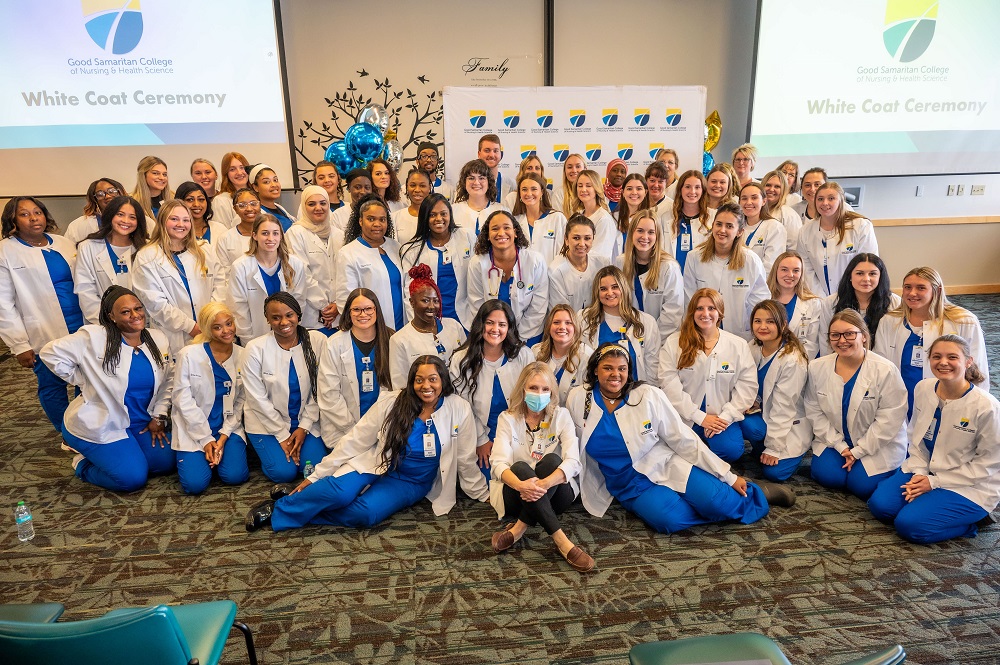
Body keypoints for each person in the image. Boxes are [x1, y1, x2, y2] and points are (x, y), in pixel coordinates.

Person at [246, 355, 488, 531]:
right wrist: (316, 476)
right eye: (419, 380)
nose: (426, 386)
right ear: (411, 382)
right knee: (339, 493)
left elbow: (465, 457)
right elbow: (355, 439)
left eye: (433, 379)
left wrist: (481, 492)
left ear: (443, 381)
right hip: (377, 462)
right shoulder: (393, 402)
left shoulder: (459, 408)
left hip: (412, 481)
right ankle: (281, 507)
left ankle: (294, 506)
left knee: (365, 513)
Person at [567, 343, 786, 535]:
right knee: (670, 521)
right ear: (595, 369)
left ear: (629, 371)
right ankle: (712, 499)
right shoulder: (578, 398)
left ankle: (756, 493)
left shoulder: (647, 395)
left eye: (622, 368)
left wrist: (728, 476)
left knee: (715, 502)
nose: (616, 374)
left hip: (664, 463)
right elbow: (571, 441)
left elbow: (683, 439)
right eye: (608, 368)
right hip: (627, 483)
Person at [867, 335, 1000, 544]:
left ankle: (972, 522)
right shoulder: (924, 388)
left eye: (952, 357)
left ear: (968, 361)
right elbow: (916, 437)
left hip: (970, 484)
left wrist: (934, 482)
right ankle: (929, 504)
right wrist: (920, 474)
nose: (943, 362)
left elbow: (988, 464)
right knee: (881, 506)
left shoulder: (986, 407)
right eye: (936, 356)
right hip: (927, 469)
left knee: (910, 527)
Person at [40, 286, 173, 491]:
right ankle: (83, 463)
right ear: (111, 316)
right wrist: (83, 380)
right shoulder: (94, 337)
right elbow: (49, 353)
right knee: (132, 479)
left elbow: (167, 382)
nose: (135, 315)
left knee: (167, 462)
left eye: (138, 308)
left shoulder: (157, 338)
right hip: (103, 424)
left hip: (141, 420)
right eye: (125, 312)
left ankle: (123, 454)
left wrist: (160, 416)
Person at [489, 362, 593, 572]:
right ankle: (562, 541)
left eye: (545, 389)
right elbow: (498, 464)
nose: (539, 393)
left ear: (552, 392)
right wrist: (521, 486)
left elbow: (573, 462)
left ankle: (518, 529)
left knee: (552, 462)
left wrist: (542, 485)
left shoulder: (561, 416)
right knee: (519, 467)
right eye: (533, 388)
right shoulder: (507, 419)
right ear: (523, 390)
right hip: (516, 495)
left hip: (556, 495)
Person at [0, 196, 86, 430]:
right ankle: (66, 432)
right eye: (24, 214)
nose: (33, 218)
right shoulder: (5, 251)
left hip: (79, 322)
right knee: (52, 383)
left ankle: (86, 428)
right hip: (42, 328)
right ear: (13, 220)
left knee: (87, 379)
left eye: (37, 212)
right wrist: (19, 344)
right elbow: (3, 304)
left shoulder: (62, 242)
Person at [805, 309, 908, 500]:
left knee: (861, 486)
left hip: (877, 442)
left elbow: (889, 420)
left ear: (864, 336)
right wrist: (840, 446)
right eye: (835, 335)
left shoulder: (885, 370)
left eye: (850, 334)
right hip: (836, 440)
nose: (842, 340)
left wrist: (858, 451)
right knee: (829, 476)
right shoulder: (817, 367)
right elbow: (813, 410)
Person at [875, 266, 989, 418]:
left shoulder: (964, 321)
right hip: (903, 400)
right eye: (907, 287)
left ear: (938, 290)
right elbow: (880, 366)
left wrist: (976, 410)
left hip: (950, 400)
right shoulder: (890, 321)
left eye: (921, 288)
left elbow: (978, 370)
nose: (912, 293)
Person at [658, 289, 756, 463]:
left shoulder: (738, 345)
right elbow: (669, 386)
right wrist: (700, 417)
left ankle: (700, 458)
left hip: (720, 416)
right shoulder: (674, 343)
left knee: (731, 451)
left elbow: (747, 387)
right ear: (692, 312)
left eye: (711, 308)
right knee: (672, 451)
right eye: (699, 308)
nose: (705, 314)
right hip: (684, 415)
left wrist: (725, 418)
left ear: (720, 313)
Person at [242, 292, 329, 483]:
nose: (283, 322)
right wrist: (282, 436)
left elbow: (321, 390)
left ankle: (293, 450)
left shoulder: (317, 341)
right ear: (267, 319)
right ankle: (271, 454)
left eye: (289, 315)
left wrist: (304, 427)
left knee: (314, 470)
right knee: (284, 473)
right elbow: (257, 400)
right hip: (266, 424)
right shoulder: (255, 348)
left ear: (298, 315)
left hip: (306, 420)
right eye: (276, 317)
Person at [450, 300, 536, 479]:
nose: (495, 329)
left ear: (509, 328)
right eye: (489, 322)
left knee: (525, 477)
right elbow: (464, 409)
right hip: (482, 434)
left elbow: (533, 398)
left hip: (520, 430)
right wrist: (481, 440)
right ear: (480, 324)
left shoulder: (524, 355)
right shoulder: (461, 361)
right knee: (494, 481)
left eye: (502, 324)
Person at [170, 302, 249, 495]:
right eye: (217, 327)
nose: (226, 331)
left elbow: (241, 401)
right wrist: (206, 440)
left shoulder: (243, 355)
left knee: (235, 476)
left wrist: (222, 437)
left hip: (227, 427)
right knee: (195, 485)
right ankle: (206, 458)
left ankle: (217, 456)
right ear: (207, 329)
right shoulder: (189, 355)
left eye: (229, 324)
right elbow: (182, 399)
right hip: (193, 428)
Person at [132, 199, 224, 355]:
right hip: (171, 337)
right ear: (162, 221)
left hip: (211, 330)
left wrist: (211, 319)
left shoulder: (205, 250)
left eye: (186, 220)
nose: (181, 224)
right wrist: (191, 327)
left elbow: (221, 284)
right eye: (174, 219)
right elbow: (155, 304)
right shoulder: (147, 257)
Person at [741, 300, 812, 481]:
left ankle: (772, 448)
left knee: (774, 473)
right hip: (762, 413)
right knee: (749, 426)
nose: (763, 326)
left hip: (788, 422)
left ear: (783, 324)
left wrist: (774, 448)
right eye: (758, 321)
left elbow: (784, 407)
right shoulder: (753, 347)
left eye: (770, 321)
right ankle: (761, 448)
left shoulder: (792, 360)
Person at [318, 288, 393, 450]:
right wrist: (354, 431)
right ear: (348, 313)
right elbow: (328, 395)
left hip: (384, 425)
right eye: (356, 309)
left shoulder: (391, 340)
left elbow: (399, 389)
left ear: (376, 310)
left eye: (368, 309)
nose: (362, 314)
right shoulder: (334, 344)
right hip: (343, 428)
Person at [228, 215, 324, 340]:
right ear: (254, 235)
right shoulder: (241, 267)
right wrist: (248, 340)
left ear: (281, 236)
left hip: (289, 333)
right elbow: (239, 309)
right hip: (255, 336)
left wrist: (290, 329)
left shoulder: (294, 264)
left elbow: (298, 302)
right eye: (265, 233)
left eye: (275, 233)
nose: (270, 238)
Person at [683, 202, 770, 341]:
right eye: (719, 224)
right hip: (702, 333)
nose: (722, 230)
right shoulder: (694, 257)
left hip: (741, 335)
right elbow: (689, 300)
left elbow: (760, 303)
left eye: (729, 226)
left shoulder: (751, 261)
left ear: (740, 231)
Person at [466, 210, 549, 344]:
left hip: (529, 335)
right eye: (495, 229)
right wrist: (496, 334)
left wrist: (518, 337)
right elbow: (477, 304)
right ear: (488, 235)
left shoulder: (535, 261)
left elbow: (538, 306)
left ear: (515, 232)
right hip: (492, 335)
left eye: (506, 228)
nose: (501, 233)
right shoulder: (478, 263)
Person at [399, 194, 476, 326]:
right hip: (430, 319)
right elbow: (410, 293)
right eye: (432, 215)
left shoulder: (467, 237)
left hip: (465, 317)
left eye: (443, 214)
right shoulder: (413, 250)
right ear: (425, 218)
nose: (439, 219)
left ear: (450, 215)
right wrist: (419, 325)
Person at [74, 195, 148, 324]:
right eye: (120, 214)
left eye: (132, 217)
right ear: (110, 216)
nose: (126, 221)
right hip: (103, 323)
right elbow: (85, 291)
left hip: (142, 323)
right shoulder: (88, 247)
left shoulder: (147, 249)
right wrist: (109, 322)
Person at [335, 194, 404, 331]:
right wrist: (364, 328)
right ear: (360, 221)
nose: (377, 224)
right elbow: (345, 301)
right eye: (371, 219)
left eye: (382, 219)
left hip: (402, 324)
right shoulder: (348, 253)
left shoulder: (395, 247)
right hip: (371, 329)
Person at [389, 265, 467, 387]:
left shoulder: (454, 327)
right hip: (421, 402)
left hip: (455, 399)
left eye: (435, 301)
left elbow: (466, 367)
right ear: (412, 302)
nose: (431, 306)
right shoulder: (399, 340)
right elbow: (400, 385)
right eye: (425, 300)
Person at [797, 181, 878, 297]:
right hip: (820, 299)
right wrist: (824, 299)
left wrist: (848, 296)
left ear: (841, 201)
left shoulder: (861, 226)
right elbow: (807, 271)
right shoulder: (805, 231)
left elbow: (868, 267)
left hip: (856, 296)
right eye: (820, 199)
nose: (825, 203)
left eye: (831, 198)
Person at [580, 266, 660, 384]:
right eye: (603, 289)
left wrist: (648, 393)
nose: (610, 293)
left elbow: (652, 365)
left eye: (615, 287)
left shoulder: (646, 322)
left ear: (624, 288)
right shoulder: (583, 319)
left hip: (635, 393)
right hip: (596, 394)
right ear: (597, 293)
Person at [615, 209, 684, 334]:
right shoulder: (621, 263)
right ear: (631, 233)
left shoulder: (669, 267)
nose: (645, 237)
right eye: (640, 230)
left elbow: (672, 313)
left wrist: (652, 339)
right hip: (629, 335)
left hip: (661, 337)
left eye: (651, 232)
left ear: (657, 236)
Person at [818, 253, 900, 356]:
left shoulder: (895, 303)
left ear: (880, 277)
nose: (866, 279)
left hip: (881, 364)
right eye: (860, 273)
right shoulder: (831, 303)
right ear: (850, 276)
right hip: (842, 361)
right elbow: (825, 342)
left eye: (872, 274)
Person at [287, 184, 338, 332]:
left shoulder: (339, 234)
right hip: (312, 314)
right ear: (303, 206)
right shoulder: (295, 233)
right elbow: (301, 273)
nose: (318, 208)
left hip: (339, 313)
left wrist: (338, 305)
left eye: (323, 203)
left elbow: (345, 273)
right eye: (311, 204)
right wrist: (324, 307)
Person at [532, 305, 593, 405]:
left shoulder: (586, 356)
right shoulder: (536, 351)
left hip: (572, 416)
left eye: (568, 323)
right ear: (549, 326)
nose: (562, 327)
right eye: (556, 322)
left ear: (575, 327)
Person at [767, 250, 823, 359]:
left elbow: (812, 343)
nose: (790, 275)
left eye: (796, 270)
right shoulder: (763, 299)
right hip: (766, 359)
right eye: (784, 270)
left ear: (801, 273)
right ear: (775, 271)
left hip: (798, 363)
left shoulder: (813, 303)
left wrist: (792, 363)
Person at [548, 215, 610, 312]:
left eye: (587, 238)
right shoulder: (556, 271)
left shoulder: (603, 264)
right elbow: (560, 312)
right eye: (576, 238)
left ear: (593, 239)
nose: (582, 244)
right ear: (566, 240)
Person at [660, 170, 713, 273]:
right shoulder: (666, 218)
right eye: (688, 187)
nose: (692, 192)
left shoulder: (713, 218)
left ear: (703, 190)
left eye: (697, 187)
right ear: (680, 189)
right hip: (672, 277)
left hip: (702, 278)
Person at [512, 172, 567, 266]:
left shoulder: (557, 218)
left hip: (550, 277)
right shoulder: (514, 221)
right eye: (524, 189)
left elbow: (563, 254)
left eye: (534, 189)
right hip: (523, 278)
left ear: (542, 192)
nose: (529, 193)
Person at [739, 182, 786, 274]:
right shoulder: (736, 227)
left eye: (754, 198)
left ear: (764, 201)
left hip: (762, 283)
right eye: (744, 198)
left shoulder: (774, 227)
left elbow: (770, 266)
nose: (748, 202)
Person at [214, 188, 261, 282]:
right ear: (235, 209)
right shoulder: (225, 239)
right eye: (242, 205)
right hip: (237, 289)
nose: (249, 209)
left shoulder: (270, 234)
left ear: (260, 205)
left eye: (253, 203)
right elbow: (225, 275)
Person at [64, 177, 128, 245]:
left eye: (112, 191)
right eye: (100, 194)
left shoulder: (134, 221)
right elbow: (67, 252)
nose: (108, 196)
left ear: (121, 193)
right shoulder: (78, 225)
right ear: (94, 200)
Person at [451, 159, 505, 235]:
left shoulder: (502, 210)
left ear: (488, 182)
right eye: (471, 178)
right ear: (464, 182)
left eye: (481, 178)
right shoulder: (453, 211)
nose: (476, 182)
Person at [328, 168, 374, 255]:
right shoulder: (338, 215)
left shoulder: (378, 213)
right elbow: (336, 247)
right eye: (357, 187)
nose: (363, 192)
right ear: (349, 188)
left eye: (367, 187)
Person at [573, 169, 617, 260]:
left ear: (596, 188)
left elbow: (599, 255)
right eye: (580, 186)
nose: (583, 189)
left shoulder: (603, 219)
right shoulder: (578, 216)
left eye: (588, 186)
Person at [175, 181, 226, 250]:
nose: (196, 204)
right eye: (190, 200)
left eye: (201, 199)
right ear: (179, 202)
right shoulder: (175, 232)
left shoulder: (219, 229)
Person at [612, 173, 651, 261]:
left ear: (646, 192)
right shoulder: (613, 218)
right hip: (618, 268)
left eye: (639, 189)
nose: (634, 192)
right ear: (622, 192)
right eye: (629, 189)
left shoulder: (652, 219)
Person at [761, 169, 802, 249]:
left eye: (777, 186)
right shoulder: (755, 212)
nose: (771, 189)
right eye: (768, 185)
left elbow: (794, 247)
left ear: (783, 190)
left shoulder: (789, 215)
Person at [249, 164, 295, 231]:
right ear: (255, 187)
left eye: (275, 180)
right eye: (266, 182)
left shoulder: (279, 207)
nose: (274, 185)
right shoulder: (257, 214)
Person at [392, 168, 431, 243]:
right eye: (413, 185)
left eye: (422, 186)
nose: (417, 190)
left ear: (429, 188)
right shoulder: (395, 217)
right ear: (407, 187)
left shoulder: (435, 217)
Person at [213, 151, 251, 229]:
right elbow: (223, 234)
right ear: (226, 174)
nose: (239, 172)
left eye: (242, 167)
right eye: (232, 169)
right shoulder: (221, 201)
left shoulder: (258, 195)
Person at [478, 134, 511, 203]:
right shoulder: (469, 183)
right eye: (487, 150)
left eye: (496, 151)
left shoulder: (511, 184)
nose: (492, 155)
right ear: (479, 154)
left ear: (501, 154)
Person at [551, 154, 586, 218]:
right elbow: (558, 223)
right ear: (565, 171)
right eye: (569, 167)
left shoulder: (594, 192)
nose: (574, 170)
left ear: (585, 169)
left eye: (578, 166)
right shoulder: (559, 194)